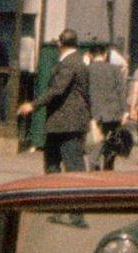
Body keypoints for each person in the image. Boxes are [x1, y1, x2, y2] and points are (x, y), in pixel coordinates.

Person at [18, 30, 90, 172]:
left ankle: (73, 191)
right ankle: (57, 189)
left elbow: (57, 90)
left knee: (72, 165)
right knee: (53, 163)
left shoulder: (69, 63)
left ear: (60, 43)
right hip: (67, 122)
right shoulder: (78, 60)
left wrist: (33, 105)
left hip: (65, 122)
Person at [86, 43, 128, 169]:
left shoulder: (86, 70)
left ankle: (94, 161)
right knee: (111, 140)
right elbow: (121, 91)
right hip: (113, 112)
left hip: (93, 112)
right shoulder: (115, 70)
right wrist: (125, 111)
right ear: (105, 55)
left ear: (90, 56)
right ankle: (108, 166)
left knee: (96, 140)